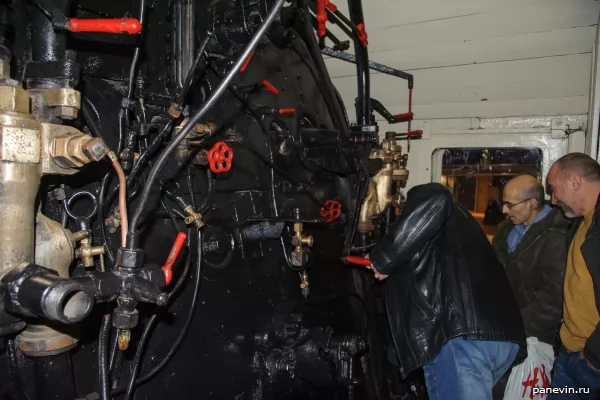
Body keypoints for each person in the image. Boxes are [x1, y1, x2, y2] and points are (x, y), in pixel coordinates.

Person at [362, 182, 526, 400]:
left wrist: (385, 258)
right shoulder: (459, 223)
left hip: (461, 341)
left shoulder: (430, 198)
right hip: (495, 339)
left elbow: (437, 195)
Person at [491, 175, 568, 399]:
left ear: (532, 203)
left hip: (533, 334)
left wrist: (518, 325)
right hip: (507, 327)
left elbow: (555, 298)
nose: (505, 210)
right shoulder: (507, 230)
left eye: (510, 205)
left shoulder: (556, 235)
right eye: (503, 203)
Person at [546, 153, 600, 398]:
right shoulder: (580, 223)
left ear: (576, 181)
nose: (553, 200)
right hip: (569, 351)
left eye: (555, 189)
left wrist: (593, 354)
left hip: (591, 363)